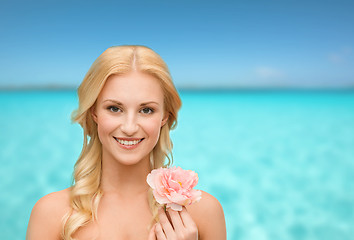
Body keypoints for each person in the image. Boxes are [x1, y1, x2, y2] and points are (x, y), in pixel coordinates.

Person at [26, 45, 226, 240]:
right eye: (114, 108)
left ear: (165, 116)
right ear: (94, 112)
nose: (129, 128)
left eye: (146, 110)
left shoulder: (204, 214)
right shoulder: (50, 215)